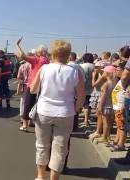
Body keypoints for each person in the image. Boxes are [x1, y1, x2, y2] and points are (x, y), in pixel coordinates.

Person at [30, 40, 85, 180]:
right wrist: (76, 109)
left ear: (53, 53)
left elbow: (32, 89)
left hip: (44, 111)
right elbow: (81, 97)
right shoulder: (75, 72)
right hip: (65, 113)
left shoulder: (44, 69)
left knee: (42, 145)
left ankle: (41, 176)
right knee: (60, 149)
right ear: (68, 55)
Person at [15, 37, 50, 131]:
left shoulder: (37, 60)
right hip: (44, 86)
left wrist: (17, 45)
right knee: (38, 104)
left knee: (27, 104)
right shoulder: (48, 61)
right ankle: (34, 123)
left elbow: (22, 56)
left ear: (39, 52)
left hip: (32, 85)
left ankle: (25, 125)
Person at [110, 45, 130, 153]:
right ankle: (117, 141)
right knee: (119, 124)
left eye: (118, 69)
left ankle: (121, 143)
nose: (115, 71)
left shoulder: (124, 82)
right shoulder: (119, 81)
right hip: (117, 106)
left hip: (121, 106)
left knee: (122, 126)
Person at [96, 66, 117, 143]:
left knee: (105, 122)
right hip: (111, 105)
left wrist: (100, 106)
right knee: (110, 122)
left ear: (107, 73)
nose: (103, 73)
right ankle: (108, 135)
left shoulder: (106, 84)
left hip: (105, 106)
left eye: (104, 72)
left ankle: (104, 137)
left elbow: (103, 97)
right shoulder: (115, 83)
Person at [88, 60, 107, 141]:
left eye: (97, 67)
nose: (95, 69)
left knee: (99, 114)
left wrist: (93, 76)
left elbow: (94, 84)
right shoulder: (101, 74)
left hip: (100, 95)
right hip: (99, 94)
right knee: (99, 114)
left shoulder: (102, 75)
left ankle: (98, 131)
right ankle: (98, 130)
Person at [68, 52, 85, 130]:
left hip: (70, 89)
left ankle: (70, 125)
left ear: (70, 58)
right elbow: (83, 79)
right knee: (76, 107)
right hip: (78, 89)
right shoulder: (80, 67)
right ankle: (75, 125)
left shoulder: (68, 66)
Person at [80, 53, 95, 127]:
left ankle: (85, 120)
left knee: (84, 105)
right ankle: (87, 119)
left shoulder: (81, 66)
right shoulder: (94, 66)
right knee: (88, 105)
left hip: (82, 88)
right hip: (92, 88)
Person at [17, 60, 31, 131]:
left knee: (23, 102)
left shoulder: (22, 66)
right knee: (32, 103)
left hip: (25, 86)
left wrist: (22, 82)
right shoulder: (34, 66)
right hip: (34, 87)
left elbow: (19, 77)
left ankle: (23, 119)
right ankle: (30, 120)